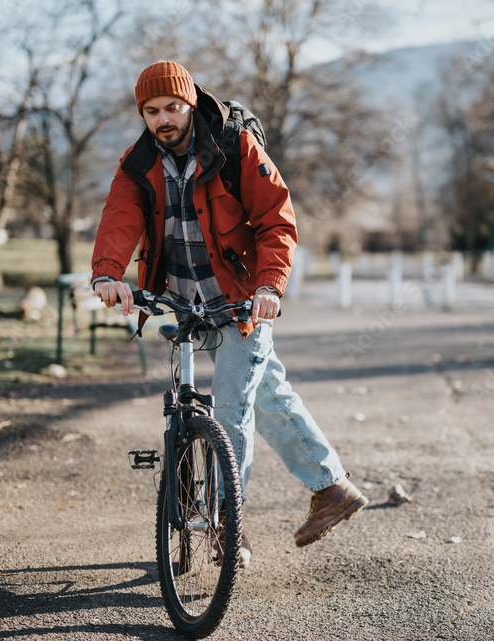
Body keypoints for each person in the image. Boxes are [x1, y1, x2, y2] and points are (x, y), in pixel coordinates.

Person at [90, 61, 368, 567]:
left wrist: (270, 286)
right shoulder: (138, 161)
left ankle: (225, 524)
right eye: (151, 112)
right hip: (184, 299)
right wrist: (108, 273)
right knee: (268, 394)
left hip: (241, 299)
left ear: (190, 102)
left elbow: (276, 220)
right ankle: (333, 489)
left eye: (172, 107)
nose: (162, 119)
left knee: (230, 408)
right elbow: (120, 216)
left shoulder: (234, 145)